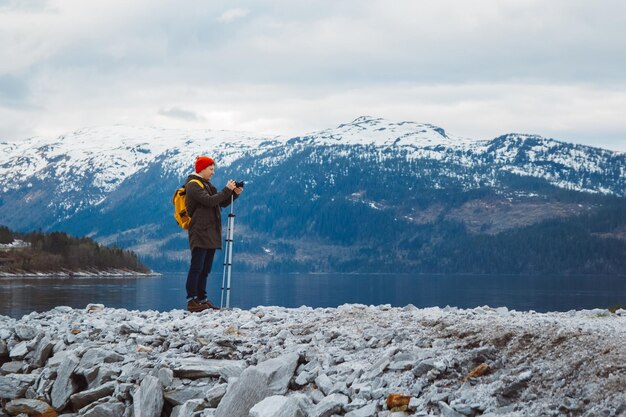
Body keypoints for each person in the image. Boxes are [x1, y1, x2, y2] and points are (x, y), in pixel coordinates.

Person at [184, 156, 243, 312]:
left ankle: (202, 299)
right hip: (199, 232)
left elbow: (220, 202)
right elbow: (209, 201)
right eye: (211, 169)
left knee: (205, 269)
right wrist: (227, 190)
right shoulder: (193, 185)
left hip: (210, 232)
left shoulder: (207, 185)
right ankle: (192, 301)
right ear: (202, 169)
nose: (213, 172)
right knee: (197, 267)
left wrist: (234, 194)